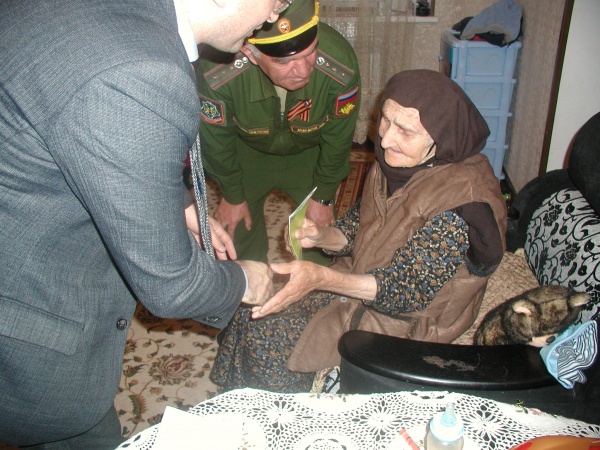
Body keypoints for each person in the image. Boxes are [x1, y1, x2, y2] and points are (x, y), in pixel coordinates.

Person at [0, 0, 289, 447]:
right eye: (277, 0)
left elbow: (87, 130)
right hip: (22, 330)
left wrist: (178, 203)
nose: (274, 15)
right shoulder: (139, 71)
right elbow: (170, 284)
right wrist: (245, 280)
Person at [211, 69, 508, 393]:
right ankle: (236, 405)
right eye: (386, 121)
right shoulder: (394, 164)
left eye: (405, 131)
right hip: (363, 276)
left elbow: (405, 291)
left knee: (269, 333)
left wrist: (322, 278)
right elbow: (359, 225)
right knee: (252, 305)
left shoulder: (459, 205)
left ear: (442, 139)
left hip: (411, 318)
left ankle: (284, 413)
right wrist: (321, 236)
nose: (386, 139)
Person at [197, 0, 360, 264]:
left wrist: (324, 195)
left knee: (316, 244)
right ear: (250, 53)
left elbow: (338, 138)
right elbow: (215, 141)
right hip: (247, 153)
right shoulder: (217, 72)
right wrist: (232, 194)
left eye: (310, 52)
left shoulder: (340, 64)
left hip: (309, 154)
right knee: (237, 241)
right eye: (284, 61)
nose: (303, 70)